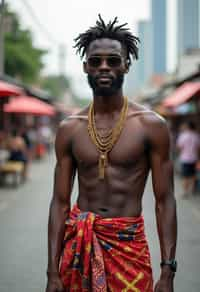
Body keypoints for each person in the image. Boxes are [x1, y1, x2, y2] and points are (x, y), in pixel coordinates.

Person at [46, 15, 177, 292]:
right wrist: (52, 272)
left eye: (113, 60)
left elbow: (165, 201)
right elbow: (59, 203)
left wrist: (168, 271)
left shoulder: (151, 126)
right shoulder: (70, 129)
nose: (104, 67)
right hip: (80, 248)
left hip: (129, 248)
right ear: (85, 66)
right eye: (95, 61)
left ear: (126, 65)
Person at [176, 121, 200, 198]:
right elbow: (198, 148)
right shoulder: (196, 136)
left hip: (185, 158)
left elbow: (179, 147)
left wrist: (180, 152)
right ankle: (191, 190)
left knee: (185, 176)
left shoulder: (183, 136)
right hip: (194, 158)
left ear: (187, 127)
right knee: (193, 175)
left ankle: (185, 192)